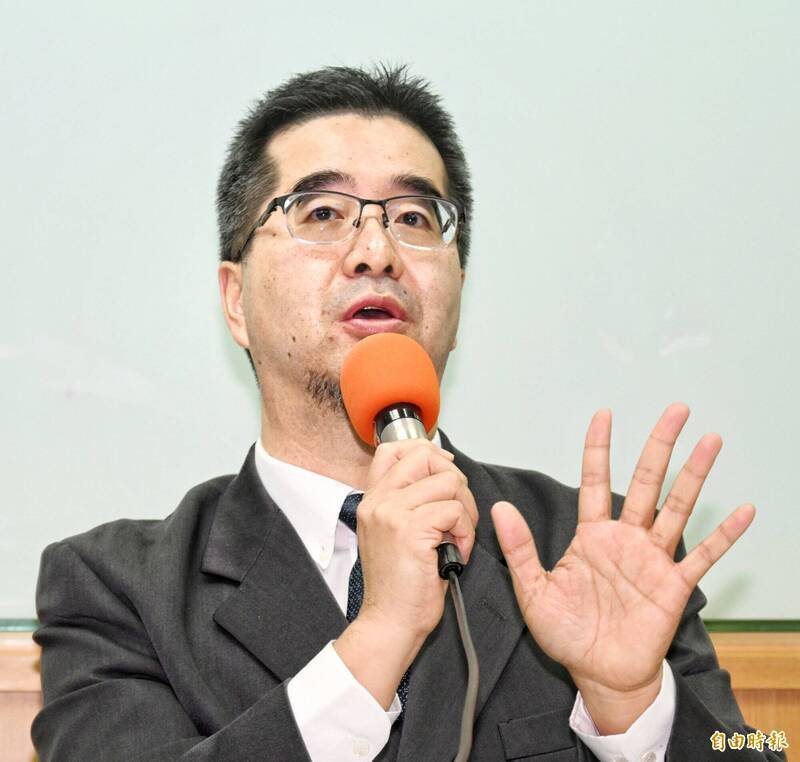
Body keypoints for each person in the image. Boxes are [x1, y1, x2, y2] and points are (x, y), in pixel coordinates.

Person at [32, 64, 782, 761]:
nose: (376, 251)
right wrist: (379, 637)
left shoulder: (592, 546)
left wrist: (633, 706)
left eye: (416, 218)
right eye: (321, 211)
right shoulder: (118, 587)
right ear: (235, 300)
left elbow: (747, 750)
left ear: (458, 295)